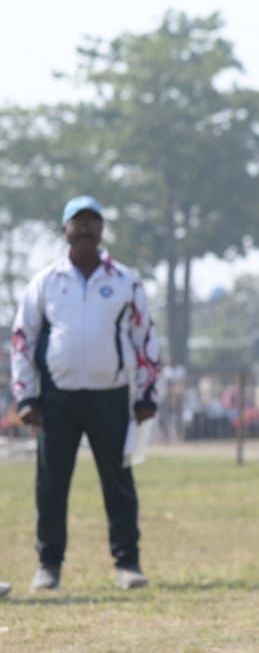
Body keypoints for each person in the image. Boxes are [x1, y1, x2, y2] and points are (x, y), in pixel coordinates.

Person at [10, 196, 160, 592]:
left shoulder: (125, 281)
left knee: (118, 481)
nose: (86, 230)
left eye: (93, 222)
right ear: (65, 230)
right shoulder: (46, 282)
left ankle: (128, 562)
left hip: (110, 396)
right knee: (51, 484)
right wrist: (27, 397)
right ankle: (49, 564)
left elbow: (146, 339)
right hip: (57, 399)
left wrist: (146, 394)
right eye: (78, 223)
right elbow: (24, 340)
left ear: (102, 230)